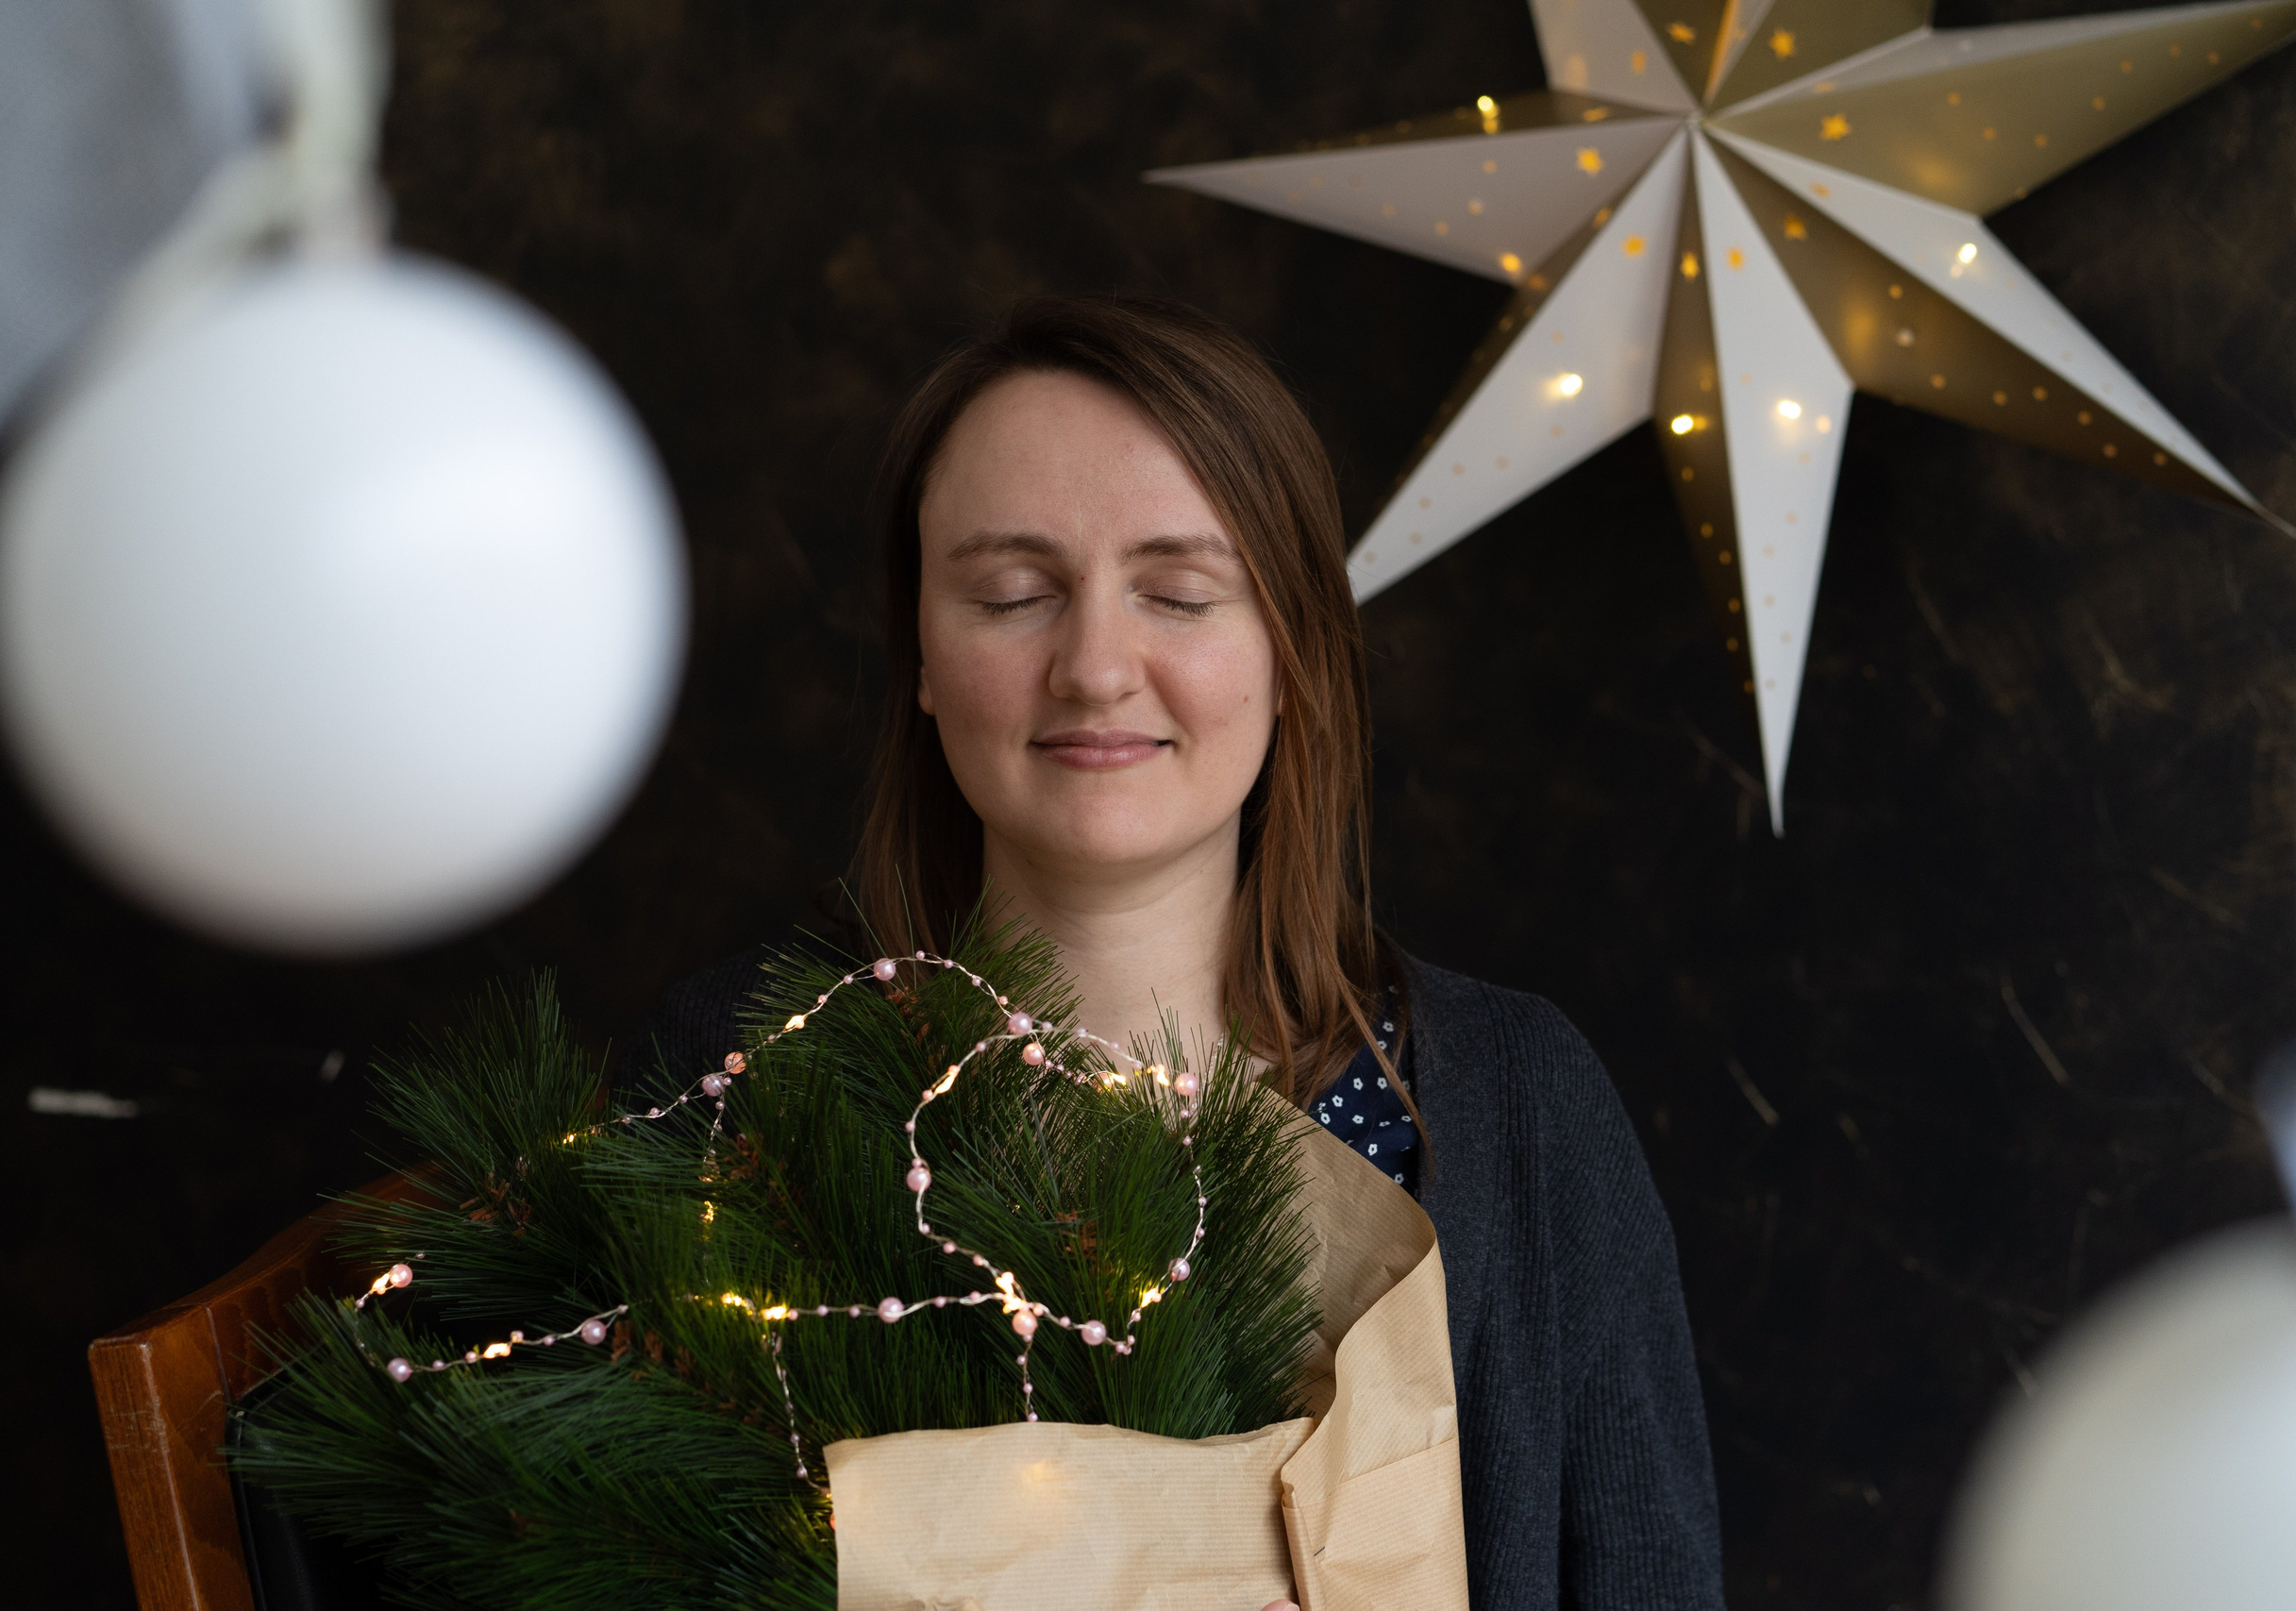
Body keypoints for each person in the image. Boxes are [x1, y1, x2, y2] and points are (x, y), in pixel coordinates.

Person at [643, 294, 1724, 1610]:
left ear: (1290, 645)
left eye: (1179, 593)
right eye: (1012, 594)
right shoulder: (721, 1079)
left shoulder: (1517, 1107)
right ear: (921, 649)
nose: (1095, 667)